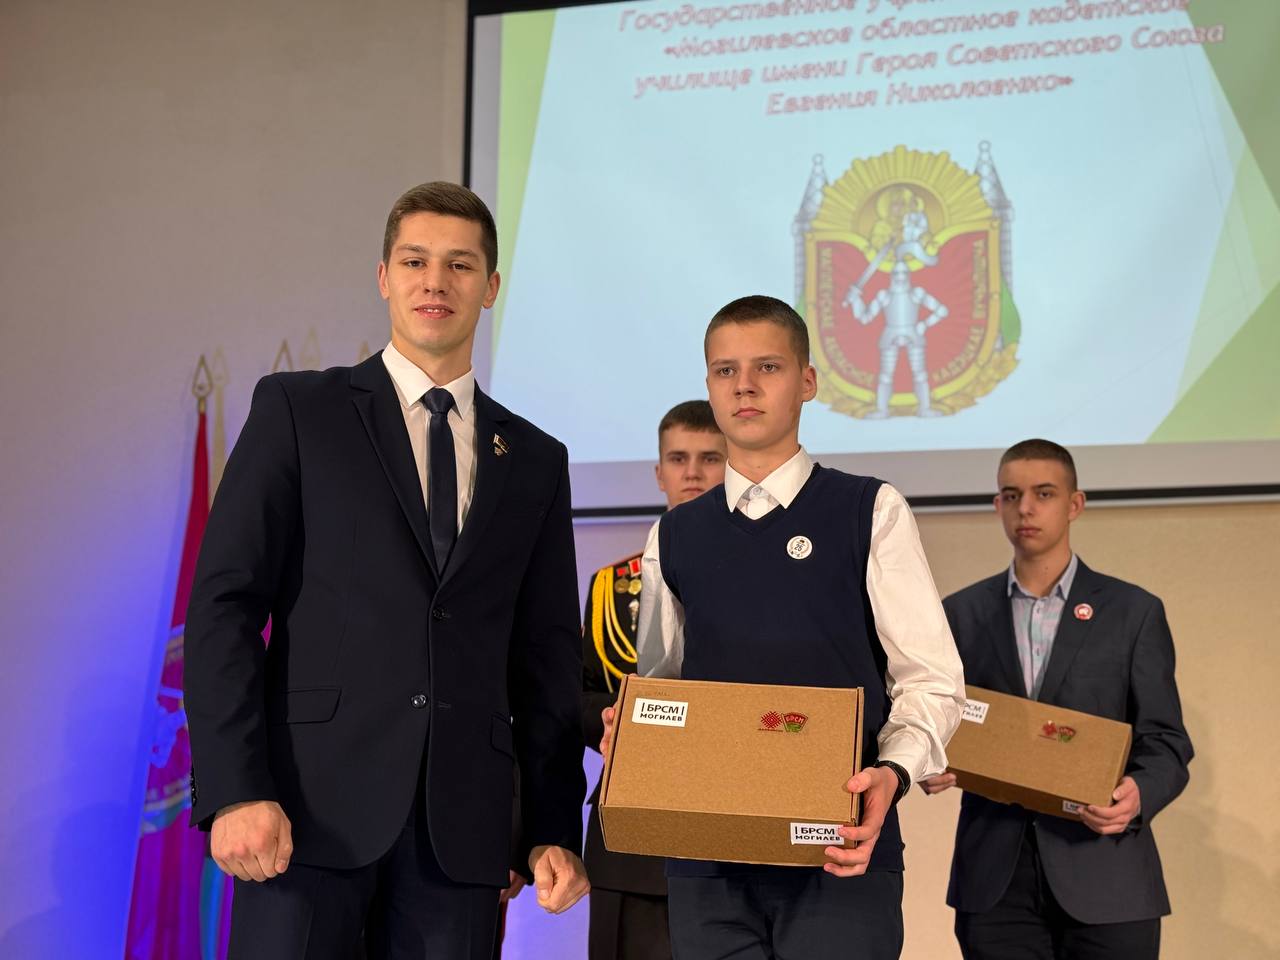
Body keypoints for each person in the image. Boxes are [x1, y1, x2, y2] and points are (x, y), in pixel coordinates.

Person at [184, 181, 589, 959]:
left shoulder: (536, 458)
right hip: (300, 819)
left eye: (459, 265)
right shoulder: (299, 411)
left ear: (490, 287)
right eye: (415, 261)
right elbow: (224, 607)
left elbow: (546, 657)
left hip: (460, 837)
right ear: (383, 277)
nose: (436, 281)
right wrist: (235, 789)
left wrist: (549, 826)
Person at [603, 294, 965, 960]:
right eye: (725, 370)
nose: (743, 385)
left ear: (808, 382)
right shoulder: (674, 535)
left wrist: (893, 772)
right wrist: (632, 730)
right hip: (708, 865)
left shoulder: (870, 509)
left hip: (840, 849)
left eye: (766, 367)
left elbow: (932, 680)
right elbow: (661, 691)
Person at [922, 439, 1193, 960]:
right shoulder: (960, 614)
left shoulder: (1133, 612)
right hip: (995, 880)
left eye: (1043, 493)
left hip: (1108, 874)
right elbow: (936, 720)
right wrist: (926, 756)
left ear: (1074, 504)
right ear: (997, 505)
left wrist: (1138, 794)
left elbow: (1166, 741)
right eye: (1011, 495)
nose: (1025, 508)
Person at [581, 400, 726, 960]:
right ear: (659, 472)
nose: (693, 473)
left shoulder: (769, 582)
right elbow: (576, 694)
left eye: (710, 458)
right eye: (679, 459)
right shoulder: (609, 586)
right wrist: (609, 718)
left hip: (734, 821)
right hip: (632, 835)